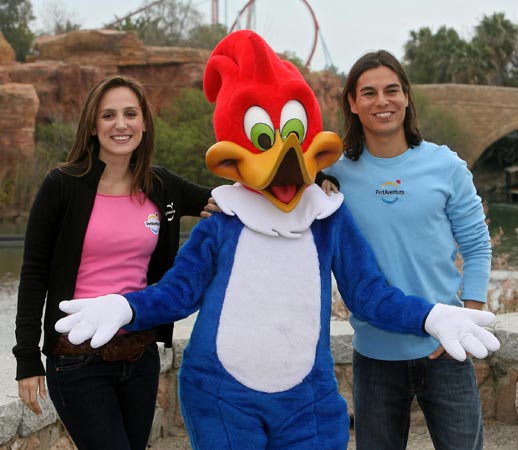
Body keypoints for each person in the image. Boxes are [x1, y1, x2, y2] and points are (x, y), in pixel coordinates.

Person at [13, 74, 212, 450]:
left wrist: (310, 174)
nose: (121, 124)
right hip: (75, 360)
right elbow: (34, 274)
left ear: (143, 123)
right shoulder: (62, 185)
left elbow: (233, 198)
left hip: (140, 358)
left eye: (130, 114)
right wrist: (26, 358)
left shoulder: (161, 186)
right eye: (108, 115)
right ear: (92, 125)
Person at [322, 50, 492, 450]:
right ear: (352, 102)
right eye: (369, 93)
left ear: (406, 97)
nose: (382, 101)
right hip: (375, 354)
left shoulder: (446, 165)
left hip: (446, 351)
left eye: (391, 90)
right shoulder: (333, 175)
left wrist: (469, 315)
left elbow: (476, 244)